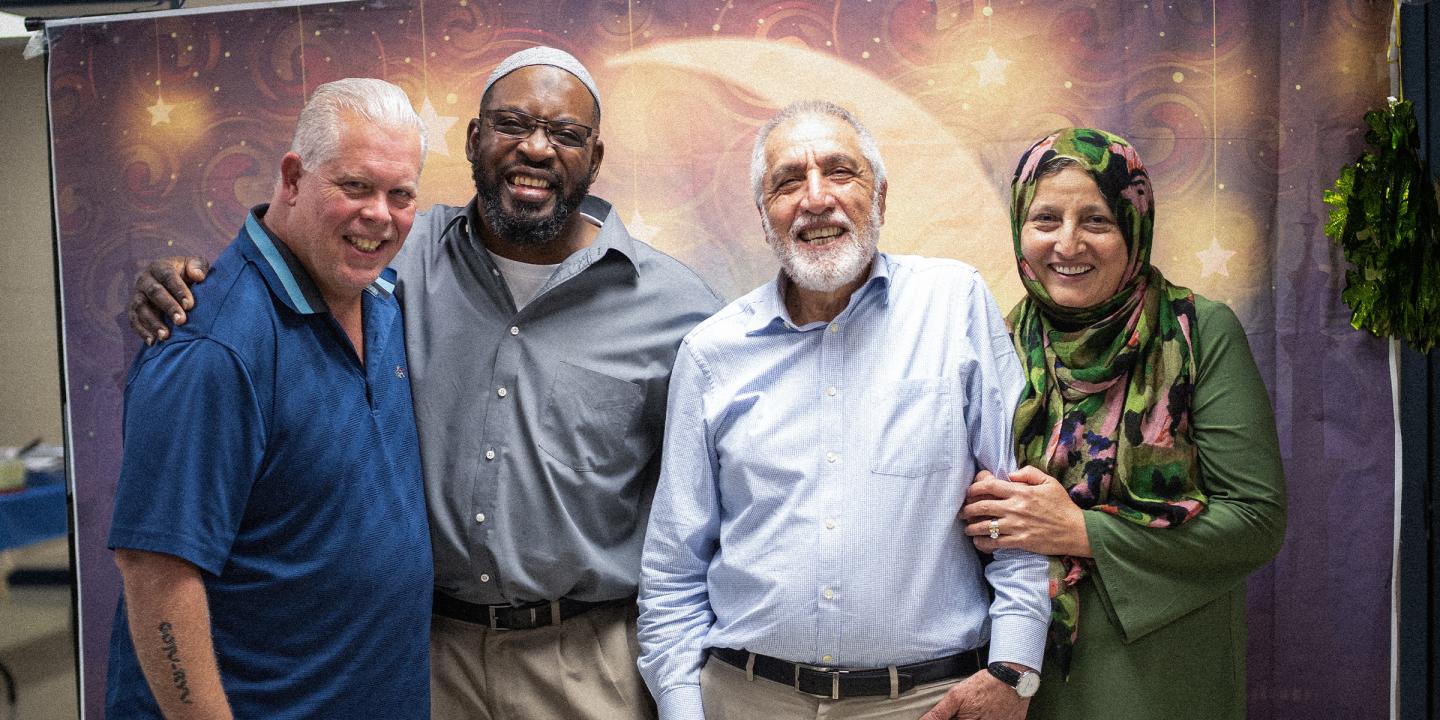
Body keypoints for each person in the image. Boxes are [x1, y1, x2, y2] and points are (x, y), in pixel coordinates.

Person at [126, 47, 723, 720]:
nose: (536, 147)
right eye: (512, 123)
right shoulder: (394, 256)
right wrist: (177, 281)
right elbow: (282, 257)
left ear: (595, 155)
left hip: (588, 663)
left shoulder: (680, 309)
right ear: (473, 139)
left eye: (565, 134)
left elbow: (709, 507)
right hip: (424, 660)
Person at [636, 100, 1050, 720]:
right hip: (747, 700)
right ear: (763, 214)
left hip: (930, 702)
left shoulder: (954, 305)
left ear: (880, 195)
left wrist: (1014, 669)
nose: (815, 198)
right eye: (787, 182)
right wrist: (680, 706)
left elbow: (1021, 512)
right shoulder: (710, 354)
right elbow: (674, 565)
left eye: (840, 172)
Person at [106, 78, 431, 718]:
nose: (379, 215)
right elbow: (154, 571)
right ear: (291, 179)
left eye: (400, 195)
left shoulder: (383, 303)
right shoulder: (213, 346)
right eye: (356, 187)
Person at [959, 128, 1287, 718]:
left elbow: (1255, 521)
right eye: (1045, 220)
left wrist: (1080, 531)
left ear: (1134, 225)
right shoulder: (996, 343)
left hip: (1163, 677)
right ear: (1018, 228)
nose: (1068, 243)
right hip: (1027, 681)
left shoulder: (1198, 334)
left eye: (1097, 221)